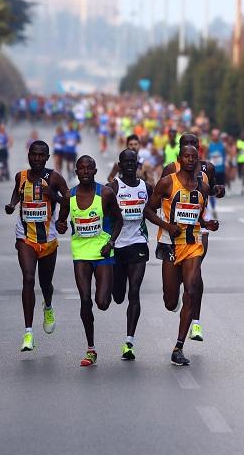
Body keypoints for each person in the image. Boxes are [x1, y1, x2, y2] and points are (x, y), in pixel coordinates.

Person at [144, 145, 219, 366]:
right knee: (170, 301)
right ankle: (173, 300)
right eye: (186, 156)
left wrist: (208, 224)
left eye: (193, 157)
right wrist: (167, 225)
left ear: (197, 160)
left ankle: (178, 347)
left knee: (191, 289)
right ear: (179, 158)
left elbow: (199, 216)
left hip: (193, 244)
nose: (190, 160)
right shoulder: (167, 182)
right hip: (170, 244)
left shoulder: (203, 187)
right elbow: (148, 210)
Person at [159, 133, 226, 342]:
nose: (190, 149)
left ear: (199, 149)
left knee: (195, 277)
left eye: (193, 145)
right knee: (171, 298)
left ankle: (194, 322)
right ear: (179, 152)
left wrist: (218, 191)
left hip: (198, 227)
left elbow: (211, 190)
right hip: (172, 234)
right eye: (185, 146)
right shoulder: (171, 169)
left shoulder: (207, 168)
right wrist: (166, 224)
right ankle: (177, 290)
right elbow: (157, 197)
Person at [4, 141, 70, 353]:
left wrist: (60, 214)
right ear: (29, 156)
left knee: (46, 284)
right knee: (28, 278)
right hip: (25, 236)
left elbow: (68, 199)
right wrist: (12, 204)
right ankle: (28, 333)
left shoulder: (55, 178)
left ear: (48, 157)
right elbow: (17, 193)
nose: (37, 159)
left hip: (48, 239)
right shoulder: (21, 176)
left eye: (42, 155)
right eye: (34, 155)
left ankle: (48, 306)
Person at [68, 155, 123, 367]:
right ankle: (91, 349)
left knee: (102, 303)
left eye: (89, 168)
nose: (85, 172)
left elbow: (119, 220)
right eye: (81, 168)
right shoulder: (69, 196)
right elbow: (62, 219)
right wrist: (61, 224)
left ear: (95, 170)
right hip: (80, 254)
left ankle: (115, 279)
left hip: (103, 252)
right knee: (85, 300)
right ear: (76, 172)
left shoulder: (106, 193)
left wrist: (111, 243)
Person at [109, 148, 151, 361]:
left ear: (137, 164)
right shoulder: (114, 187)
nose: (129, 165)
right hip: (117, 247)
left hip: (138, 243)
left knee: (134, 292)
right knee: (118, 296)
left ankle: (129, 341)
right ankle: (115, 289)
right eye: (125, 162)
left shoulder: (145, 187)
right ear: (120, 164)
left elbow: (157, 206)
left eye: (132, 161)